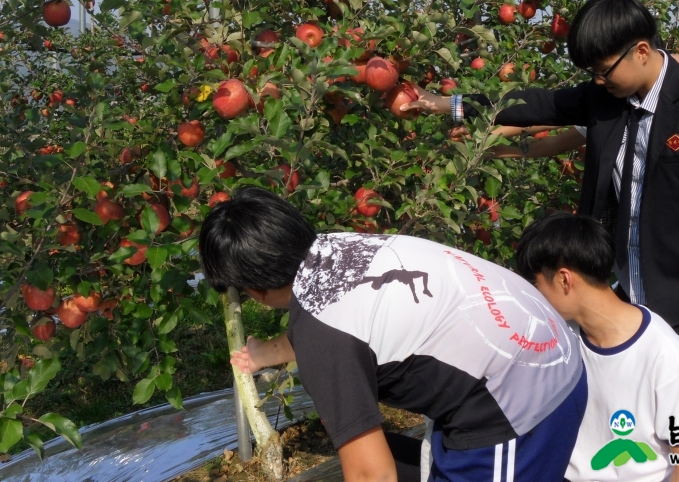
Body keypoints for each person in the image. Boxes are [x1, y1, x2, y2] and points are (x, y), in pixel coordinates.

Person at [403, 0, 679, 482]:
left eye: (604, 68)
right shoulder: (604, 100)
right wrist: (448, 104)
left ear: (641, 50)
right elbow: (533, 104)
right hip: (622, 286)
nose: (597, 80)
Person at [490, 60, 679, 482]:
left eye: (606, 62)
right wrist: (483, 141)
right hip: (670, 264)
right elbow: (547, 123)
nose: (601, 76)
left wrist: (655, 53)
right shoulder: (612, 105)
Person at [200, 186, 587, 482]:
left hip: (524, 405)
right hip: (550, 348)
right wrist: (264, 353)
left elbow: (373, 474)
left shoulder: (322, 335)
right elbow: (332, 327)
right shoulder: (337, 249)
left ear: (255, 291)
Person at [516, 212, 679, 482]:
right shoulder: (561, 336)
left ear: (564, 279)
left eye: (535, 285)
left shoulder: (663, 354)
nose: (533, 298)